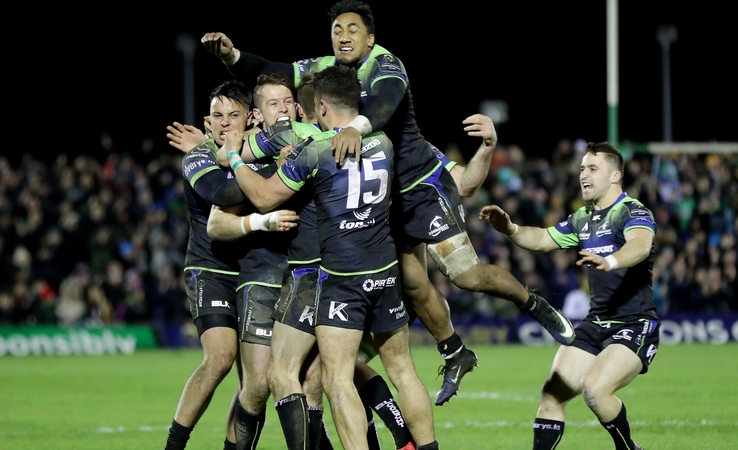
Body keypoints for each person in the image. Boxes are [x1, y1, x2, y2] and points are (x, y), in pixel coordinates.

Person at [202, 0, 575, 406]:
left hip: (419, 188)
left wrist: (355, 129)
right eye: (337, 30)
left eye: (352, 29)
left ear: (371, 37)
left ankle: (531, 301)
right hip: (384, 196)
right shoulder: (328, 68)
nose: (343, 36)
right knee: (413, 283)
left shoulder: (387, 65)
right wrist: (232, 57)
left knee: (465, 275)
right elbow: (274, 70)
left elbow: (382, 105)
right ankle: (453, 352)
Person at [222, 65, 438, 450]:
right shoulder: (383, 142)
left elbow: (265, 196)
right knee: (403, 370)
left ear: (319, 106)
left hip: (339, 275)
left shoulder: (314, 151)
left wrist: (235, 158)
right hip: (385, 271)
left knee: (334, 377)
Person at [479, 142, 658, 450]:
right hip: (595, 322)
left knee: (594, 389)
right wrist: (510, 228)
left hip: (634, 322)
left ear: (615, 176)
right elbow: (543, 238)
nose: (583, 175)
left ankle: (628, 448)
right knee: (552, 394)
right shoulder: (583, 218)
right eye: (581, 169)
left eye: (592, 168)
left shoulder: (632, 211)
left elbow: (640, 245)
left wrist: (610, 260)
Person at [163, 80, 293, 450]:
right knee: (220, 357)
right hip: (211, 268)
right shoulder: (198, 156)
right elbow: (222, 193)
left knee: (256, 379)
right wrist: (273, 174)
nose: (224, 123)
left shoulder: (258, 152)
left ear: (250, 118)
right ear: (207, 122)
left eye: (233, 115)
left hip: (251, 271)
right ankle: (174, 446)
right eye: (217, 116)